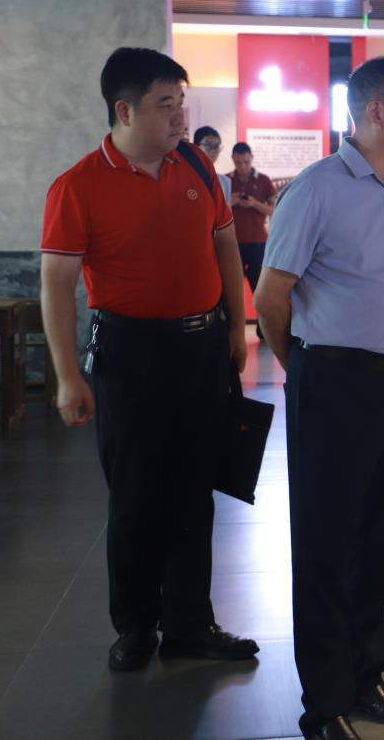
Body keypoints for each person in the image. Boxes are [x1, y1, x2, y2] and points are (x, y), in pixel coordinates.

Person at [40, 47, 258, 672]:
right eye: (166, 105)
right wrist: (67, 376)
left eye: (181, 103)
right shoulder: (78, 185)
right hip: (131, 354)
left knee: (195, 491)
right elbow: (56, 285)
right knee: (136, 495)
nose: (180, 117)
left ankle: (190, 623)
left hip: (201, 347)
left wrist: (234, 325)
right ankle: (136, 626)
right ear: (125, 110)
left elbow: (224, 245)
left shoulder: (195, 166)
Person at [253, 56, 384, 740]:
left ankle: (367, 675)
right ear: (376, 111)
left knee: (380, 537)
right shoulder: (317, 190)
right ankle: (325, 701)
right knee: (328, 542)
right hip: (335, 381)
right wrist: (306, 368)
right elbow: (272, 298)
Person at [229, 141, 276, 336]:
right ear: (233, 160)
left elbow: (273, 210)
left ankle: (263, 330)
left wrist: (255, 204)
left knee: (260, 288)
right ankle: (233, 331)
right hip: (232, 243)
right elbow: (214, 210)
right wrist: (230, 202)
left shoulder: (264, 181)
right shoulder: (226, 180)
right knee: (232, 290)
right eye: (238, 162)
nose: (242, 166)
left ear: (252, 159)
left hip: (258, 242)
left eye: (246, 162)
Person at [193, 125, 233, 204]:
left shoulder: (225, 181)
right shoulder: (185, 177)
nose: (213, 150)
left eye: (216, 146)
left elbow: (227, 210)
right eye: (208, 145)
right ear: (196, 147)